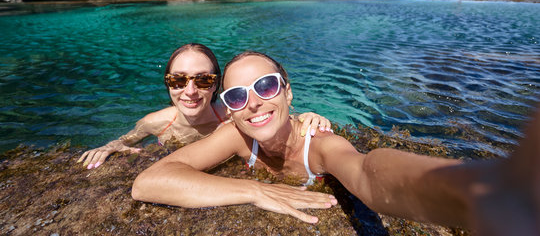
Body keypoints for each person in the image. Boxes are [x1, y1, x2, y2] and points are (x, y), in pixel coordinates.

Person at [132, 51, 540, 236]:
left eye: (266, 86)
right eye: (236, 95)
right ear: (229, 108)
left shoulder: (320, 145)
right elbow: (149, 182)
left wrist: (477, 189)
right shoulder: (236, 135)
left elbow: (367, 174)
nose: (252, 101)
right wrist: (256, 191)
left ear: (288, 93)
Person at [77, 44, 331, 169]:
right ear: (168, 85)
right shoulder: (155, 122)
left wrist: (308, 117)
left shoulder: (230, 117)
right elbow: (124, 141)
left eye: (203, 80)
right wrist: (109, 148)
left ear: (216, 87)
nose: (189, 91)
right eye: (177, 80)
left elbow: (271, 116)